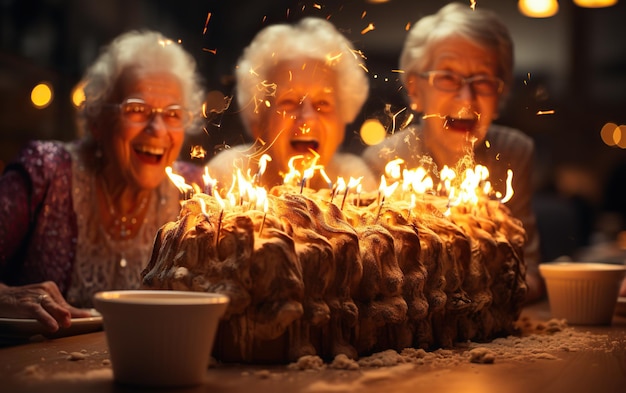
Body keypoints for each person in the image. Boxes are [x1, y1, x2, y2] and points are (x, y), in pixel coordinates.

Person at [0, 30, 205, 332]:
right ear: (97, 120)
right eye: (137, 109)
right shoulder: (45, 172)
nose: (157, 129)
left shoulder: (195, 195)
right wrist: (5, 295)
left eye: (173, 114)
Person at [362, 3, 544, 303]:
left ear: (499, 97)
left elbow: (529, 272)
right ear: (416, 89)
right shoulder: (384, 161)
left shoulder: (514, 153)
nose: (466, 97)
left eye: (483, 81)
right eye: (447, 77)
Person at [206, 17, 377, 192]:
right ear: (258, 123)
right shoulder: (228, 175)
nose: (308, 118)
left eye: (322, 103)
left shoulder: (354, 181)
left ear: (341, 126)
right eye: (288, 102)